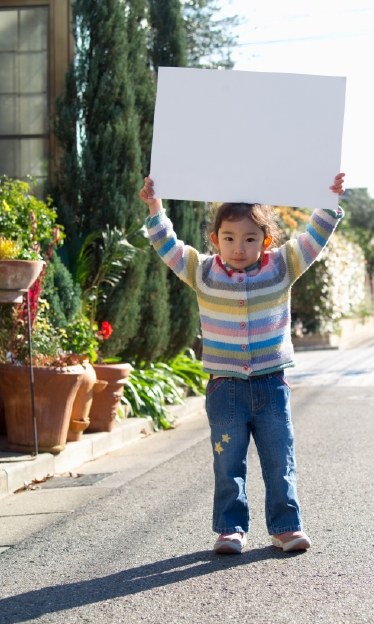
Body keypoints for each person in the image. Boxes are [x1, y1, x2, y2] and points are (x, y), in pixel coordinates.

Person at [140, 172, 345, 554]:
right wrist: (155, 208)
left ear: (266, 241)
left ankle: (286, 527)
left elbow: (313, 240)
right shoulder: (203, 272)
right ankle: (230, 529)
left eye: (250, 238)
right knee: (228, 463)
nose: (239, 247)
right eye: (229, 238)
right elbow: (168, 245)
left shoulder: (281, 267)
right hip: (225, 388)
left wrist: (329, 202)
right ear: (215, 240)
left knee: (278, 459)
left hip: (271, 384)